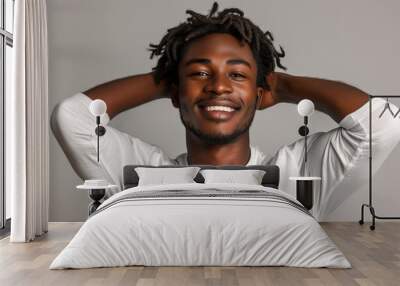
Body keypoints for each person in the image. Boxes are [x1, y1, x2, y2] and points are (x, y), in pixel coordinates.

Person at [51, 2, 400, 219]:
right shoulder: (142, 178)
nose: (219, 86)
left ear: (261, 93)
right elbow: (72, 117)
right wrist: (171, 79)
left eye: (237, 74)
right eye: (201, 73)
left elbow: (381, 125)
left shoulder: (299, 176)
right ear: (175, 92)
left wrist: (283, 87)